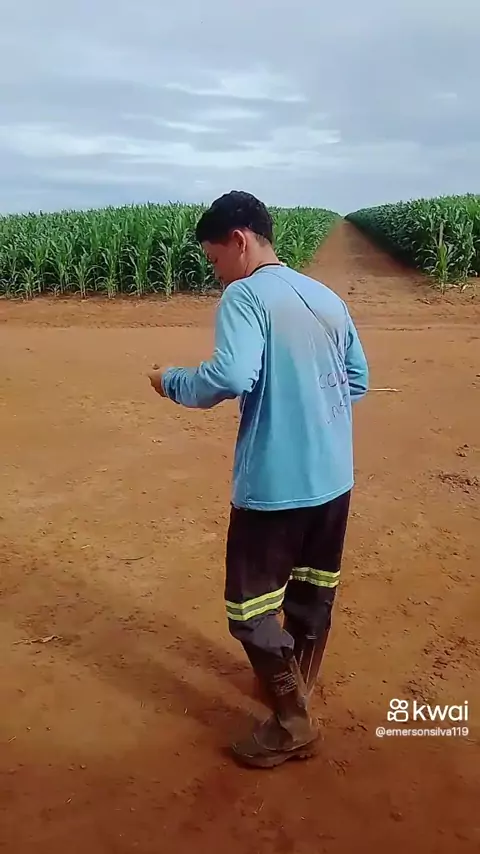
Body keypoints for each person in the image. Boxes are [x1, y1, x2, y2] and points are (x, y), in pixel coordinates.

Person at [148, 190, 369, 769]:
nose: (217, 273)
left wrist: (171, 381)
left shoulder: (244, 296)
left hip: (275, 485)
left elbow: (230, 375)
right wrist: (312, 413)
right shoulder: (324, 296)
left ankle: (292, 720)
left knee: (249, 610)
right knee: (312, 592)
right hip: (334, 478)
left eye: (215, 259)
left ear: (239, 241)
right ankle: (299, 684)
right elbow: (358, 378)